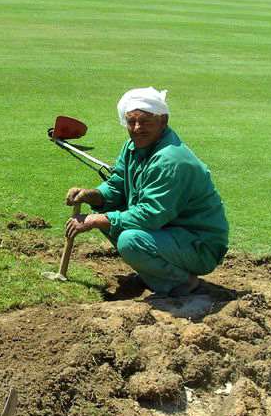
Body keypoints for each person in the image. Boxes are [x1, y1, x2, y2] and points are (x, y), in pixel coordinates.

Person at [64, 87, 228, 297]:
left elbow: (151, 214)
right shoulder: (132, 146)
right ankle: (156, 274)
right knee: (106, 209)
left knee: (129, 240)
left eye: (146, 122)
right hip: (171, 233)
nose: (137, 128)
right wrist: (94, 194)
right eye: (131, 121)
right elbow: (117, 184)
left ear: (163, 121)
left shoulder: (171, 160)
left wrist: (97, 219)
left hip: (200, 244)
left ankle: (182, 283)